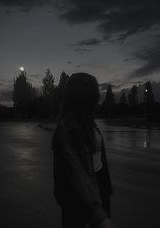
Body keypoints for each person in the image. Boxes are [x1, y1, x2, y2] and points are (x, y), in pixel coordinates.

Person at [52, 73, 114, 228]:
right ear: (84, 99)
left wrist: (105, 190)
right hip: (76, 194)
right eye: (94, 95)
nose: (97, 99)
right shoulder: (66, 129)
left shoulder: (89, 122)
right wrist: (100, 217)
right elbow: (75, 173)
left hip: (99, 187)